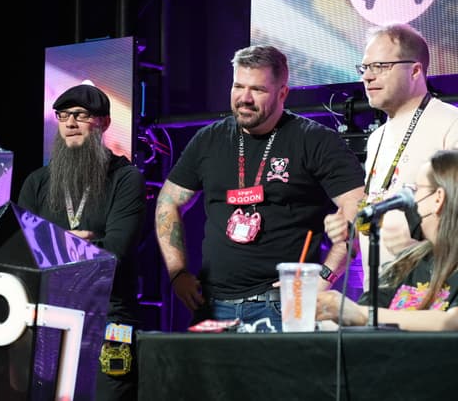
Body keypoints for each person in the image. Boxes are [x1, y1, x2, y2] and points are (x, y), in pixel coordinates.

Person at [154, 45, 365, 331]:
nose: (245, 98)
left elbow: (358, 209)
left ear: (282, 93)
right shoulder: (209, 140)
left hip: (282, 304)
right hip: (214, 305)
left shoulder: (315, 140)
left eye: (258, 89)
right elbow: (168, 202)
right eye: (238, 86)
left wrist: (325, 276)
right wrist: (177, 273)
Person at [17, 83, 146, 401]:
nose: (70, 123)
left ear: (103, 123)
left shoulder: (126, 179)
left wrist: (54, 244)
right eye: (63, 116)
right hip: (50, 313)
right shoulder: (37, 183)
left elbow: (115, 253)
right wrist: (83, 242)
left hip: (109, 316)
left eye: (80, 115)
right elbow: (22, 254)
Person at [324, 23, 458, 291]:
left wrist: (415, 249)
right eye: (364, 68)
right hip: (380, 295)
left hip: (433, 296)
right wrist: (348, 228)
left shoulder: (451, 123)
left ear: (415, 70)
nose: (367, 77)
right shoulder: (377, 137)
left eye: (380, 66)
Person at [317, 149, 458, 331]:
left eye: (417, 189)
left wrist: (360, 315)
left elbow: (451, 321)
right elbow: (367, 309)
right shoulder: (409, 262)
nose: (412, 199)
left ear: (438, 198)